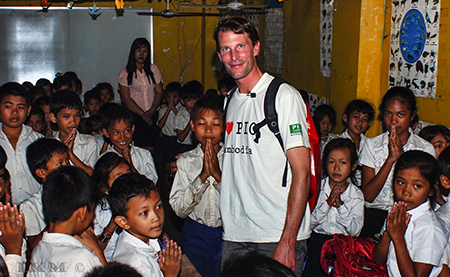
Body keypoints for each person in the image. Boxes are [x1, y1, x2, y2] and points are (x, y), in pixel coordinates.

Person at [214, 16, 311, 275]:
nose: (234, 56)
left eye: (241, 46)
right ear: (219, 55)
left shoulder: (283, 96)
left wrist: (288, 241)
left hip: (275, 236)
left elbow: (302, 172)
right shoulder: (230, 100)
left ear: (256, 48)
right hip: (235, 234)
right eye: (226, 48)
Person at [359, 87, 435, 239]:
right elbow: (368, 195)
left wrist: (402, 159)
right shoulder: (372, 145)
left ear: (412, 116)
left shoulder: (425, 148)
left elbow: (425, 193)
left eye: (401, 114)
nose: (393, 121)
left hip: (411, 216)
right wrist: (391, 159)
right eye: (388, 114)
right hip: (375, 215)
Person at [169, 96, 224, 277]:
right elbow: (179, 209)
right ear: (192, 126)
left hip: (228, 234)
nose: (208, 130)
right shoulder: (185, 161)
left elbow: (243, 205)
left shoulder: (234, 160)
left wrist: (218, 177)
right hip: (196, 235)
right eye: (202, 124)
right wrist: (201, 178)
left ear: (224, 127)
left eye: (215, 124)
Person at [373, 150, 447, 277]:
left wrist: (398, 237)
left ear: (431, 190)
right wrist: (388, 234)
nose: (406, 192)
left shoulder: (430, 228)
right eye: (401, 182)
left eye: (417, 186)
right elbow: (378, 259)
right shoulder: (397, 213)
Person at [28, 166, 106, 277]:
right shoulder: (83, 259)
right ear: (82, 212)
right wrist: (97, 251)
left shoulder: (39, 249)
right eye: (92, 210)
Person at [303, 138, 364, 276]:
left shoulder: (357, 195)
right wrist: (327, 205)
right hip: (318, 244)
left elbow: (355, 231)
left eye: (343, 162)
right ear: (325, 163)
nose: (337, 168)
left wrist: (341, 207)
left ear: (353, 166)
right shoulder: (317, 189)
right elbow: (308, 224)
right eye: (332, 162)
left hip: (343, 248)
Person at [108, 173, 182, 277]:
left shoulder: (143, 236)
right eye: (144, 213)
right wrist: (170, 274)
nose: (156, 217)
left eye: (158, 206)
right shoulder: (138, 266)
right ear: (123, 222)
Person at [0, 82, 43, 206]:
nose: (14, 112)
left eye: (20, 107)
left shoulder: (38, 141)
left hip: (37, 211)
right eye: (8, 107)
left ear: (28, 109)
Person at [118, 38, 163, 153]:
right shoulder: (125, 72)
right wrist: (143, 114)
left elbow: (159, 92)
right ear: (133, 51)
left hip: (152, 115)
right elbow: (126, 98)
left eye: (145, 51)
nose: (141, 54)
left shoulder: (154, 69)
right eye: (139, 50)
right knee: (138, 150)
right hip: (135, 116)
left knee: (150, 150)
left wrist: (151, 111)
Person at [24, 138, 70, 247]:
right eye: (60, 164)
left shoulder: (76, 193)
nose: (67, 167)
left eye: (67, 161)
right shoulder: (30, 207)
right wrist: (59, 216)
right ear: (41, 173)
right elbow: (34, 245)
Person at [100, 105, 158, 183]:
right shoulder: (104, 160)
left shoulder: (144, 155)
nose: (122, 137)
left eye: (127, 131)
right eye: (116, 132)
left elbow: (150, 185)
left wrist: (130, 164)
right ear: (106, 133)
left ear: (132, 129)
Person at [92, 153, 131, 261]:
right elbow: (95, 251)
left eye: (128, 175)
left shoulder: (139, 202)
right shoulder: (96, 211)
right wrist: (112, 224)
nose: (126, 181)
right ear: (105, 188)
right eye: (119, 177)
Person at [49, 90, 99, 175]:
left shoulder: (89, 143)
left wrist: (70, 154)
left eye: (77, 115)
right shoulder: (49, 145)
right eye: (66, 116)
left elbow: (93, 176)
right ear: (53, 118)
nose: (73, 121)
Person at [339, 99, 375, 186]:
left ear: (368, 124)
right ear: (346, 118)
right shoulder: (337, 144)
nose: (360, 122)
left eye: (365, 119)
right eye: (356, 117)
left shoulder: (370, 144)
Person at [157, 82, 183, 173]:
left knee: (178, 164)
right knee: (167, 164)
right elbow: (160, 125)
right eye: (168, 97)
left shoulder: (181, 110)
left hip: (177, 140)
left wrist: (174, 110)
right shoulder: (162, 110)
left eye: (174, 97)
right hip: (166, 140)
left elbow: (182, 120)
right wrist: (168, 110)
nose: (171, 100)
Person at [174, 80, 202, 154]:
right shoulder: (181, 115)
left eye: (195, 99)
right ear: (183, 101)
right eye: (189, 100)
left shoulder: (201, 112)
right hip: (184, 147)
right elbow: (181, 138)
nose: (193, 102)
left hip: (197, 146)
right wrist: (191, 121)